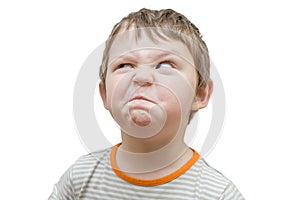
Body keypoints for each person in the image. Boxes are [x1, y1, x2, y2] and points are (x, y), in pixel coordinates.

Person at [49, 8, 245, 200]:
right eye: (124, 65)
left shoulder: (219, 194)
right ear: (105, 94)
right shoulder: (78, 180)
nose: (141, 77)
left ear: (200, 94)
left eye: (165, 65)